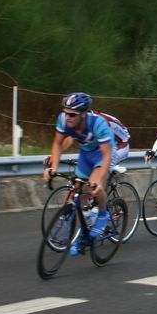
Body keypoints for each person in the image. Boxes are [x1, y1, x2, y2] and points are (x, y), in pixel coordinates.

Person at [43, 92, 115, 254]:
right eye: (65, 112)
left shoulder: (98, 124)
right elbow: (57, 143)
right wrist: (53, 167)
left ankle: (102, 215)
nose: (67, 117)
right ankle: (84, 230)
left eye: (72, 114)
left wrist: (100, 180)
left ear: (83, 114)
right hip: (85, 154)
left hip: (103, 154)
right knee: (79, 193)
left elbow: (107, 156)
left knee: (94, 184)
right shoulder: (63, 120)